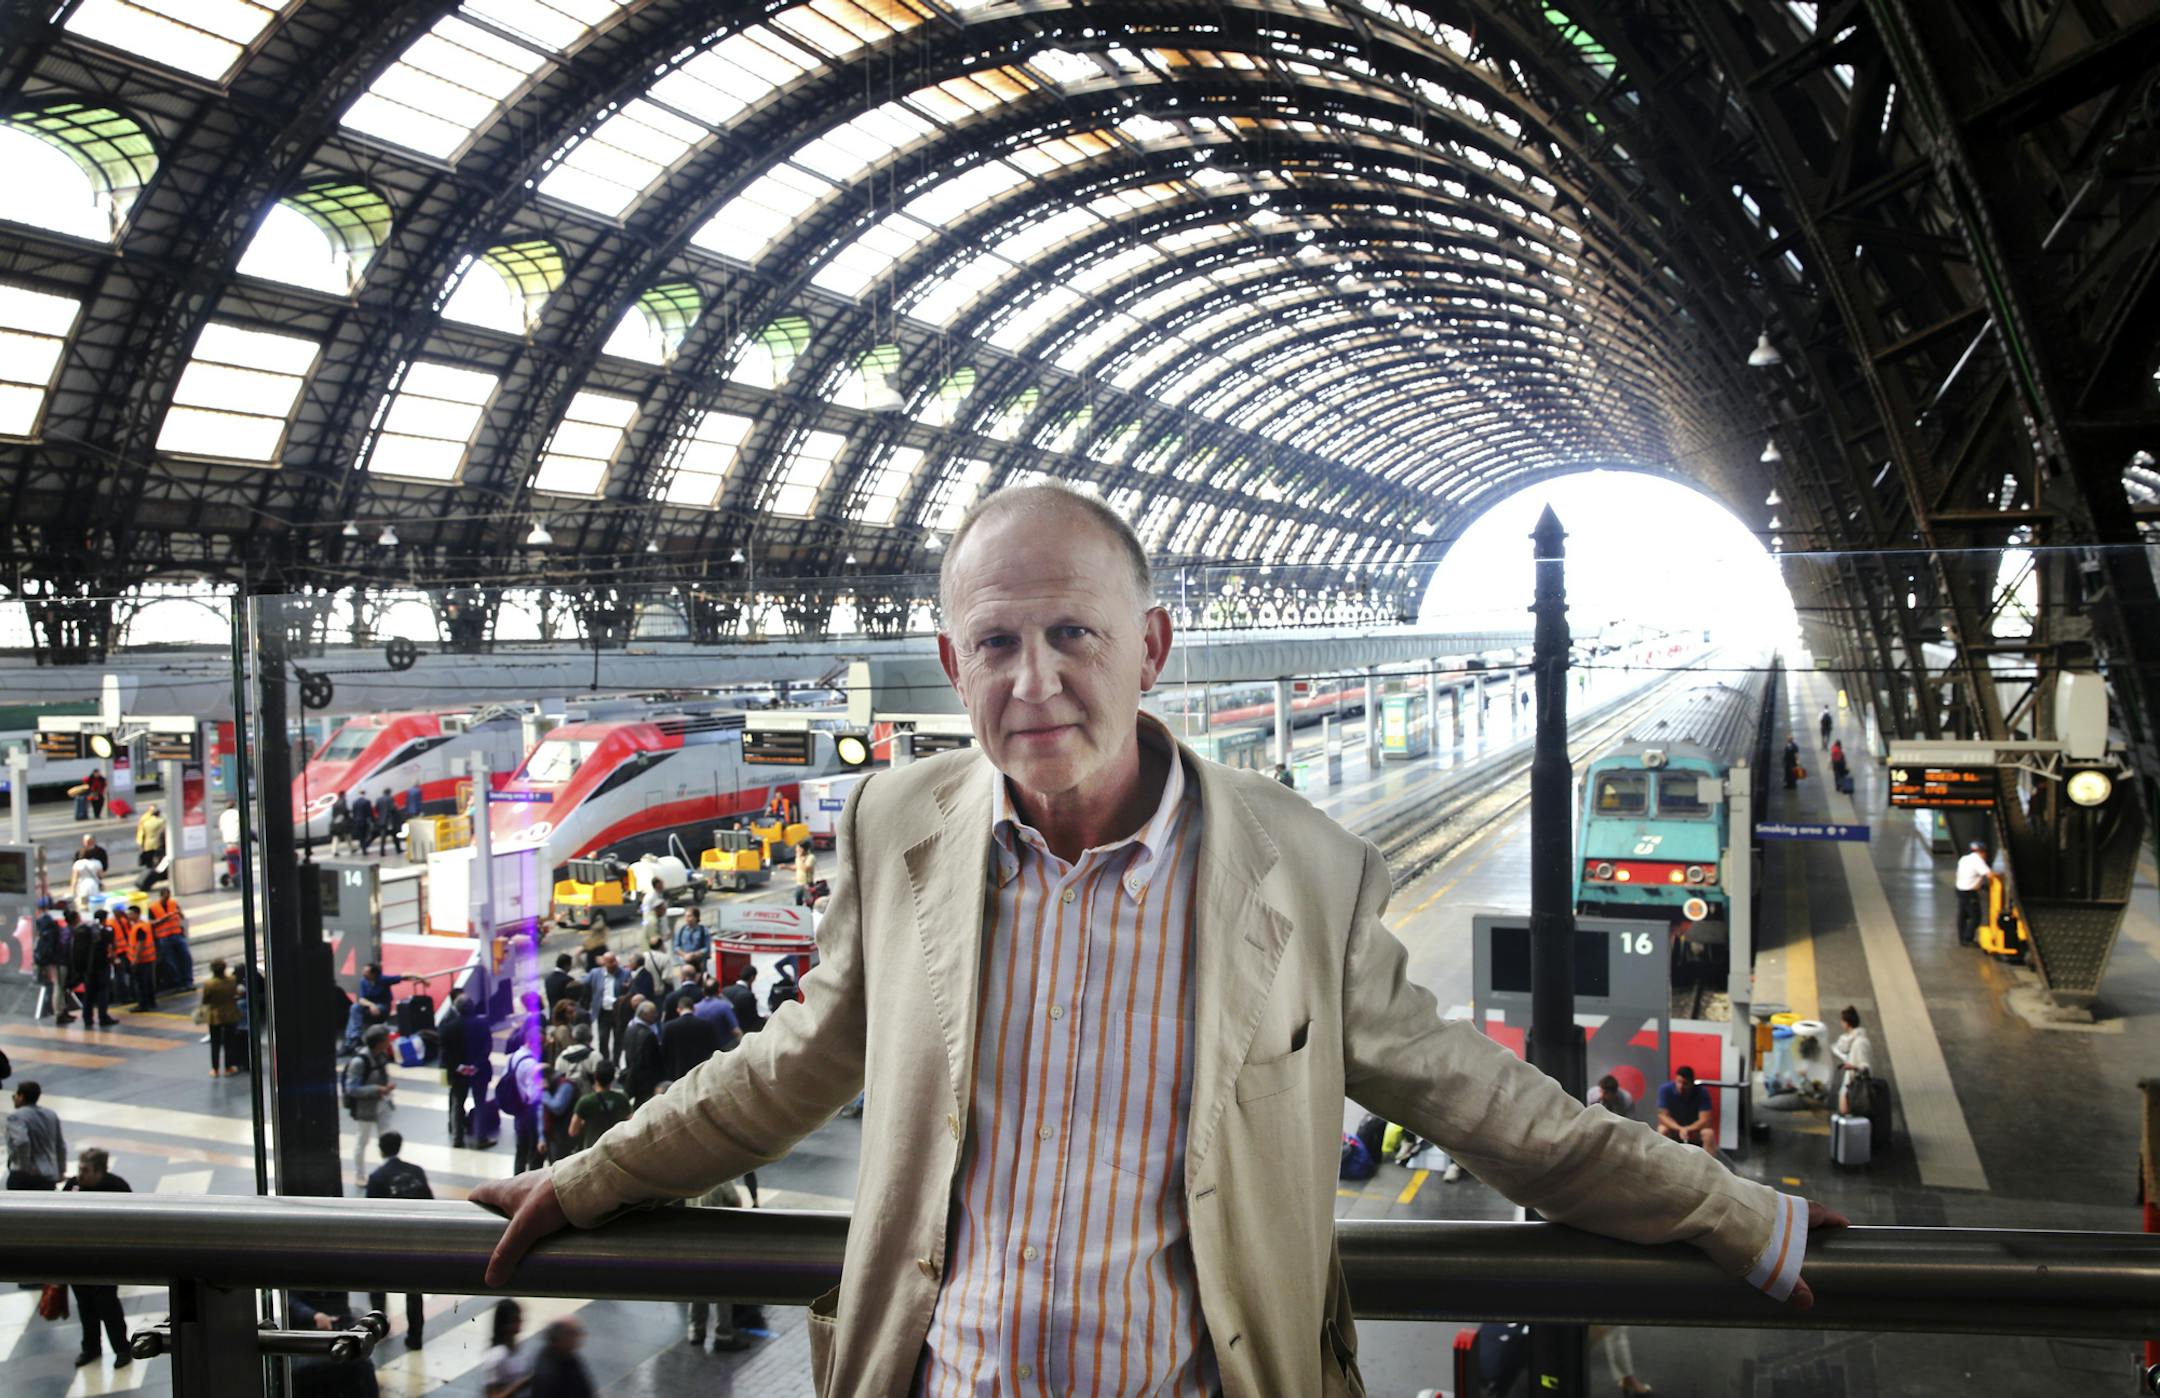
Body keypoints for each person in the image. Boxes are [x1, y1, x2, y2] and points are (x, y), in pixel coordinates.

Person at [474, 483, 1836, 1394]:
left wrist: (1735, 1211)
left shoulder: (1300, 868)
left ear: (1153, 645)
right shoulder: (895, 828)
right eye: (996, 640)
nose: (1037, 679)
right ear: (952, 667)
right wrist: (587, 1180)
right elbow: (787, 1065)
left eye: (1076, 631)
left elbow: (1492, 1107)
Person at [63, 1147, 132, 1370]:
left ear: (99, 1171)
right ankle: (91, 1348)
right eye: (79, 1168)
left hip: (105, 1258)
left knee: (107, 1304)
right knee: (85, 1306)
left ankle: (122, 1348)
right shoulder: (72, 1187)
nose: (80, 1174)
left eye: (85, 1170)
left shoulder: (116, 1187)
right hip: (78, 1257)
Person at [364, 1131, 431, 1349]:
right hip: (415, 1241)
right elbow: (430, 1203)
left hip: (389, 1244)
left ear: (381, 1150)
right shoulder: (416, 1171)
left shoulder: (377, 1178)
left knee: (377, 1285)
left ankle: (379, 1327)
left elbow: (371, 1215)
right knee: (414, 1292)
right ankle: (415, 1337)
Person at [344, 1025, 396, 1191]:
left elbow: (383, 1075)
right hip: (365, 1108)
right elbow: (351, 1088)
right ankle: (360, 1175)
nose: (389, 1041)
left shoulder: (381, 1056)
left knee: (386, 1138)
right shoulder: (359, 1062)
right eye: (386, 1039)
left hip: (382, 1103)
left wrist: (386, 1087)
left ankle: (389, 1171)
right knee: (362, 1140)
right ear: (379, 1042)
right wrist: (377, 1089)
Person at [438, 993, 483, 1148]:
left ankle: (457, 1138)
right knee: (480, 1103)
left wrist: (459, 1067)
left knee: (458, 1104)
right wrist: (476, 1065)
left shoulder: (448, 1027)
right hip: (479, 1071)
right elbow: (487, 1047)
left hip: (458, 1073)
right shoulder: (481, 1024)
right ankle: (480, 1137)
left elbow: (445, 1053)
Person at [7, 1081, 66, 1190]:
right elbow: (60, 1145)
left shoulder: (16, 1117)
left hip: (24, 1176)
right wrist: (61, 1170)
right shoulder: (51, 1115)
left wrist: (23, 1167)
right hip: (47, 1175)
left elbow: (22, 1141)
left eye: (15, 1095)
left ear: (21, 1097)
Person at [568, 1060, 633, 1147]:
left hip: (592, 1150)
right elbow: (631, 1124)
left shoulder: (585, 1102)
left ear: (595, 1076)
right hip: (616, 1148)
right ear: (613, 1078)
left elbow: (572, 1131)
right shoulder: (622, 1099)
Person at [660, 992, 721, 1084]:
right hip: (702, 1069)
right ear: (693, 1008)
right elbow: (715, 1047)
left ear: (678, 1009)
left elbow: (664, 1052)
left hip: (679, 1071)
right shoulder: (705, 1024)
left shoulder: (669, 1027)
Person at [71, 910, 117, 1028]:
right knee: (103, 991)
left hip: (88, 967)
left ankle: (87, 1018)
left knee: (89, 993)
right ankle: (103, 1017)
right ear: (104, 918)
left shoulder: (86, 930)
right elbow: (112, 945)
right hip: (102, 966)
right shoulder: (106, 931)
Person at [528, 1317, 593, 1398]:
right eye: (572, 1333)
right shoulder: (549, 1374)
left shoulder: (565, 1353)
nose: (578, 1337)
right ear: (558, 1338)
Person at [1656, 1064, 1716, 1153]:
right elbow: (1662, 1116)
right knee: (1662, 1130)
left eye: (1685, 1083)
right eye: (1679, 1082)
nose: (1681, 1086)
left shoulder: (1702, 1092)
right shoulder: (1665, 1090)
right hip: (1674, 1130)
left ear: (1692, 1083)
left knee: (1708, 1134)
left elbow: (1705, 1119)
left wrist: (1688, 1129)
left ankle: (1710, 1166)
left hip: (1694, 1131)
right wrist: (1680, 1128)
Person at [480, 1299, 531, 1398]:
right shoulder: (496, 1356)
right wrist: (521, 1384)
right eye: (515, 1319)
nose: (520, 1322)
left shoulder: (519, 1349)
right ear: (504, 1324)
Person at [201, 959, 243, 1076]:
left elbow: (205, 1000)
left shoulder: (209, 984)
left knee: (215, 1042)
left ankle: (215, 1069)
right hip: (230, 1013)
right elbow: (236, 994)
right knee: (229, 1042)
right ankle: (228, 1067)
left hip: (215, 1016)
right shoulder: (232, 980)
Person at [584, 954, 628, 1063]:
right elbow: (584, 982)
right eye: (610, 962)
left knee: (618, 1039)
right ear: (604, 963)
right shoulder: (595, 973)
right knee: (603, 1039)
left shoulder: (625, 973)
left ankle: (616, 1062)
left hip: (618, 1013)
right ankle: (605, 1062)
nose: (613, 964)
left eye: (614, 961)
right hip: (603, 1012)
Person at [146, 889, 191, 992]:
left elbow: (182, 916)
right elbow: (152, 923)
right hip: (163, 937)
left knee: (185, 957)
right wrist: (165, 918)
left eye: (169, 896)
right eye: (166, 897)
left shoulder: (173, 903)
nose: (167, 899)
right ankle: (177, 982)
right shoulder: (153, 908)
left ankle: (188, 981)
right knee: (170, 961)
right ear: (161, 896)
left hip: (176, 934)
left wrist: (180, 914)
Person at [1831, 1005, 1873, 1115]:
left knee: (1848, 1112)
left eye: (1842, 1020)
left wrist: (1852, 1067)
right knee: (1846, 1111)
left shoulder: (1860, 1043)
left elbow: (1865, 1067)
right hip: (1850, 1084)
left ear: (1846, 1023)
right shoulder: (1850, 1041)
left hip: (1855, 1085)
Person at [1955, 839, 1996, 947]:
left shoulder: (1964, 859)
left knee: (1962, 915)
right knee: (1976, 917)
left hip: (1960, 890)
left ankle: (1962, 939)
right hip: (1969, 892)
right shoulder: (1977, 860)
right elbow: (1989, 875)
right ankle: (1968, 939)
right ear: (1982, 852)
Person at [620, 1000, 663, 1104]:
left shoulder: (630, 1029)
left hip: (630, 1075)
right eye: (653, 1013)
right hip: (645, 1080)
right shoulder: (648, 1035)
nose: (656, 1016)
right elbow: (652, 1059)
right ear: (644, 1014)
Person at [720, 964, 764, 1034]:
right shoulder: (749, 995)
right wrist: (765, 1019)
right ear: (752, 977)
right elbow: (753, 1020)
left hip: (727, 1033)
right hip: (744, 1032)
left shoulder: (725, 990)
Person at [69, 842, 103, 914]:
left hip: (82, 886)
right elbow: (101, 876)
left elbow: (74, 879)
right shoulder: (97, 862)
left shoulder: (78, 864)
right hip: (94, 885)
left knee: (83, 905)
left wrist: (72, 891)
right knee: (95, 903)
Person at [640, 875, 668, 948]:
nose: (663, 886)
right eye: (662, 884)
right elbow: (660, 911)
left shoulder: (653, 894)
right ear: (658, 885)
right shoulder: (653, 896)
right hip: (653, 925)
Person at [134, 803, 166, 868]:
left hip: (147, 845)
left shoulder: (144, 820)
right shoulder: (161, 820)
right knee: (159, 860)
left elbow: (141, 833)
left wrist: (140, 844)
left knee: (149, 862)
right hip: (159, 844)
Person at [376, 789, 403, 857]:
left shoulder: (379, 799)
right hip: (389, 821)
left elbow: (377, 809)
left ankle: (382, 851)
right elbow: (392, 808)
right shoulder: (390, 799)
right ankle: (398, 849)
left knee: (383, 837)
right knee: (395, 836)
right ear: (389, 793)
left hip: (382, 821)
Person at [351, 792, 376, 856]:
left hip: (357, 821)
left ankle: (363, 849)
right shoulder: (366, 801)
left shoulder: (355, 802)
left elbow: (353, 813)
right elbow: (370, 813)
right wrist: (373, 820)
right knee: (365, 835)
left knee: (361, 836)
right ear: (364, 794)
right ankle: (364, 849)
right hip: (364, 821)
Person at [793, 842, 818, 907]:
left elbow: (807, 868)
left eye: (798, 848)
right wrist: (785, 867)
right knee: (798, 903)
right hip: (799, 884)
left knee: (809, 903)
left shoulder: (811, 857)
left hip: (807, 884)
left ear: (803, 849)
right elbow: (797, 868)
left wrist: (801, 859)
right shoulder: (798, 858)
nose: (796, 850)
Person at [329, 791, 354, 855]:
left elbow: (333, 814)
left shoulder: (335, 803)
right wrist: (349, 813)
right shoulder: (343, 801)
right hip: (343, 822)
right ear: (343, 795)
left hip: (336, 822)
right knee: (347, 835)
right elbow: (345, 811)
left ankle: (334, 850)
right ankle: (351, 848)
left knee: (336, 837)